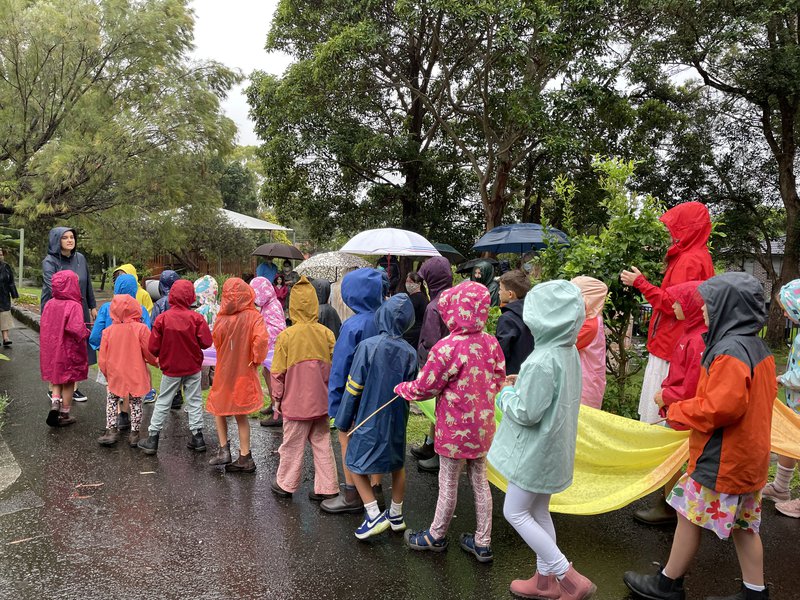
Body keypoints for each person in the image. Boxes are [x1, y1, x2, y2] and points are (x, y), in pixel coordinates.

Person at [623, 272, 776, 600]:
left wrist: (675, 411)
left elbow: (719, 408)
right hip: (748, 457)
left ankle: (668, 583)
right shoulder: (755, 347)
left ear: (729, 308)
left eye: (710, 304)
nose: (703, 310)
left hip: (722, 458)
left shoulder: (730, 351)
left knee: (688, 514)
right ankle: (754, 591)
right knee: (744, 525)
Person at [488, 279, 595, 600]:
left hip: (533, 452)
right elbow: (553, 390)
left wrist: (505, 392)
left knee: (516, 512)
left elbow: (526, 412)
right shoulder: (566, 352)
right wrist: (524, 381)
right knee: (538, 512)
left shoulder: (540, 359)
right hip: (554, 448)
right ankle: (544, 581)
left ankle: (567, 576)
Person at [395, 281, 506, 562]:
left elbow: (426, 387)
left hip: (454, 430)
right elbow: (499, 378)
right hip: (482, 429)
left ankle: (436, 535)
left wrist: (402, 389)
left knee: (448, 483)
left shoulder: (447, 348)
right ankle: (483, 541)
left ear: (454, 311)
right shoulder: (491, 343)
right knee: (480, 482)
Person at [620, 202, 714, 424]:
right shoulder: (696, 256)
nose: (671, 235)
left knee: (659, 411)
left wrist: (640, 283)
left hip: (671, 344)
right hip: (677, 341)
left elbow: (675, 304)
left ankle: (657, 451)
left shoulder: (690, 260)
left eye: (675, 229)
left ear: (687, 229)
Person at [334, 294, 419, 539]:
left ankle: (373, 515)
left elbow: (353, 387)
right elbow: (412, 388)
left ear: (381, 315)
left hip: (369, 418)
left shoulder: (368, 346)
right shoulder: (410, 352)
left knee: (353, 461)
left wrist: (343, 419)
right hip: (397, 419)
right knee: (397, 464)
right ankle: (396, 514)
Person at [634, 280, 706, 526]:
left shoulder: (696, 340)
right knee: (673, 459)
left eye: (678, 301)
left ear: (692, 306)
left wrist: (666, 396)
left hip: (682, 412)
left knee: (673, 459)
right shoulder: (689, 333)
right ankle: (670, 507)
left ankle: (670, 509)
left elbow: (693, 385)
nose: (673, 305)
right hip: (676, 408)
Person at [321, 267, 384, 514]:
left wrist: (335, 403)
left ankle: (351, 492)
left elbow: (341, 367)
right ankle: (376, 489)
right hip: (381, 395)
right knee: (375, 439)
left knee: (346, 438)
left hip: (355, 394)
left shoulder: (352, 326)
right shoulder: (386, 319)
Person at [269, 276, 339, 500]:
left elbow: (278, 372)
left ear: (293, 306)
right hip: (321, 401)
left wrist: (276, 400)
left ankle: (286, 484)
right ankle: (328, 488)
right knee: (322, 443)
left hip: (295, 403)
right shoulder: (326, 334)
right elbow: (333, 368)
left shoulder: (286, 336)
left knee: (291, 445)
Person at [138, 280, 214, 455]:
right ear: (191, 297)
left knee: (164, 401)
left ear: (171, 295)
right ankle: (197, 436)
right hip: (193, 367)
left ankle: (153, 438)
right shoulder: (196, 318)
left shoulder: (162, 319)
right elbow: (206, 342)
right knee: (194, 401)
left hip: (171, 368)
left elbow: (153, 347)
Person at [205, 278, 269, 472]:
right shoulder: (254, 317)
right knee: (241, 414)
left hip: (224, 372)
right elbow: (261, 340)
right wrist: (255, 359)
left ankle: (224, 449)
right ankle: (245, 455)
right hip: (243, 371)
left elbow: (216, 340)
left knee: (219, 408)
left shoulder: (221, 318)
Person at [89, 274, 152, 432]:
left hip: (112, 359)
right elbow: (148, 336)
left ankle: (116, 416)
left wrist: (98, 346)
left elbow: (96, 335)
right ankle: (125, 414)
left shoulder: (106, 308)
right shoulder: (141, 309)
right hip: (134, 359)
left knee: (112, 387)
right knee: (132, 388)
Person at [41, 227, 97, 401]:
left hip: (79, 307)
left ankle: (73, 387)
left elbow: (86, 283)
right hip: (57, 310)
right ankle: (54, 388)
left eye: (72, 237)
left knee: (77, 347)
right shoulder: (50, 261)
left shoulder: (80, 258)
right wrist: (70, 304)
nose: (70, 240)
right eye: (65, 238)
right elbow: (53, 287)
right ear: (57, 240)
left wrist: (92, 306)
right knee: (58, 349)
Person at [97, 294, 158, 447]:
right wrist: (156, 362)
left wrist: (106, 373)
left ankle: (111, 429)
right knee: (136, 401)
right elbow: (149, 351)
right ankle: (135, 433)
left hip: (115, 373)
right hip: (135, 372)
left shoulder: (108, 331)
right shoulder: (141, 329)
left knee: (112, 401)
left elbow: (103, 358)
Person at [411, 256, 453, 472]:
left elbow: (430, 341)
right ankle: (430, 444)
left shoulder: (435, 306)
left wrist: (424, 368)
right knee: (441, 409)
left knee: (441, 409)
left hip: (439, 365)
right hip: (457, 365)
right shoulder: (456, 298)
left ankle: (438, 453)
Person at [762, 280, 800, 517]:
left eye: (788, 308)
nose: (784, 313)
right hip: (795, 404)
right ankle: (780, 488)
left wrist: (781, 379)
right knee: (790, 440)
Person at [40, 271, 89, 427]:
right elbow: (76, 329)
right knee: (69, 380)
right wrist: (86, 332)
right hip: (69, 349)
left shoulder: (49, 304)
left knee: (56, 377)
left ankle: (55, 402)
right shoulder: (74, 305)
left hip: (53, 348)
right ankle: (65, 413)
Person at [250, 276, 287, 427]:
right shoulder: (269, 304)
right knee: (266, 374)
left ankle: (278, 412)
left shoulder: (272, 306)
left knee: (274, 378)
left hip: (273, 349)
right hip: (270, 349)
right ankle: (273, 405)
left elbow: (278, 329)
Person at [570, 276, 609, 409]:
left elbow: (563, 344)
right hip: (588, 381)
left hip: (584, 384)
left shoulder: (589, 325)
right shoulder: (593, 318)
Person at [496, 270, 534, 376]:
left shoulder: (507, 318)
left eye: (500, 289)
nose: (499, 292)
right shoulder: (535, 312)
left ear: (510, 294)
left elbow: (502, 351)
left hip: (512, 375)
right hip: (532, 372)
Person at [402, 272, 428, 350]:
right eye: (406, 281)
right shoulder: (422, 297)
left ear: (418, 283)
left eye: (411, 282)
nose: (408, 284)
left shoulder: (416, 298)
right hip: (416, 333)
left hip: (412, 334)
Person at [0, 248, 19, 347]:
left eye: (1, 254)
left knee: (4, 315)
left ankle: (5, 338)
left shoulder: (6, 266)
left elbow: (11, 281)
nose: (0, 256)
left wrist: (14, 294)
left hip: (4, 295)